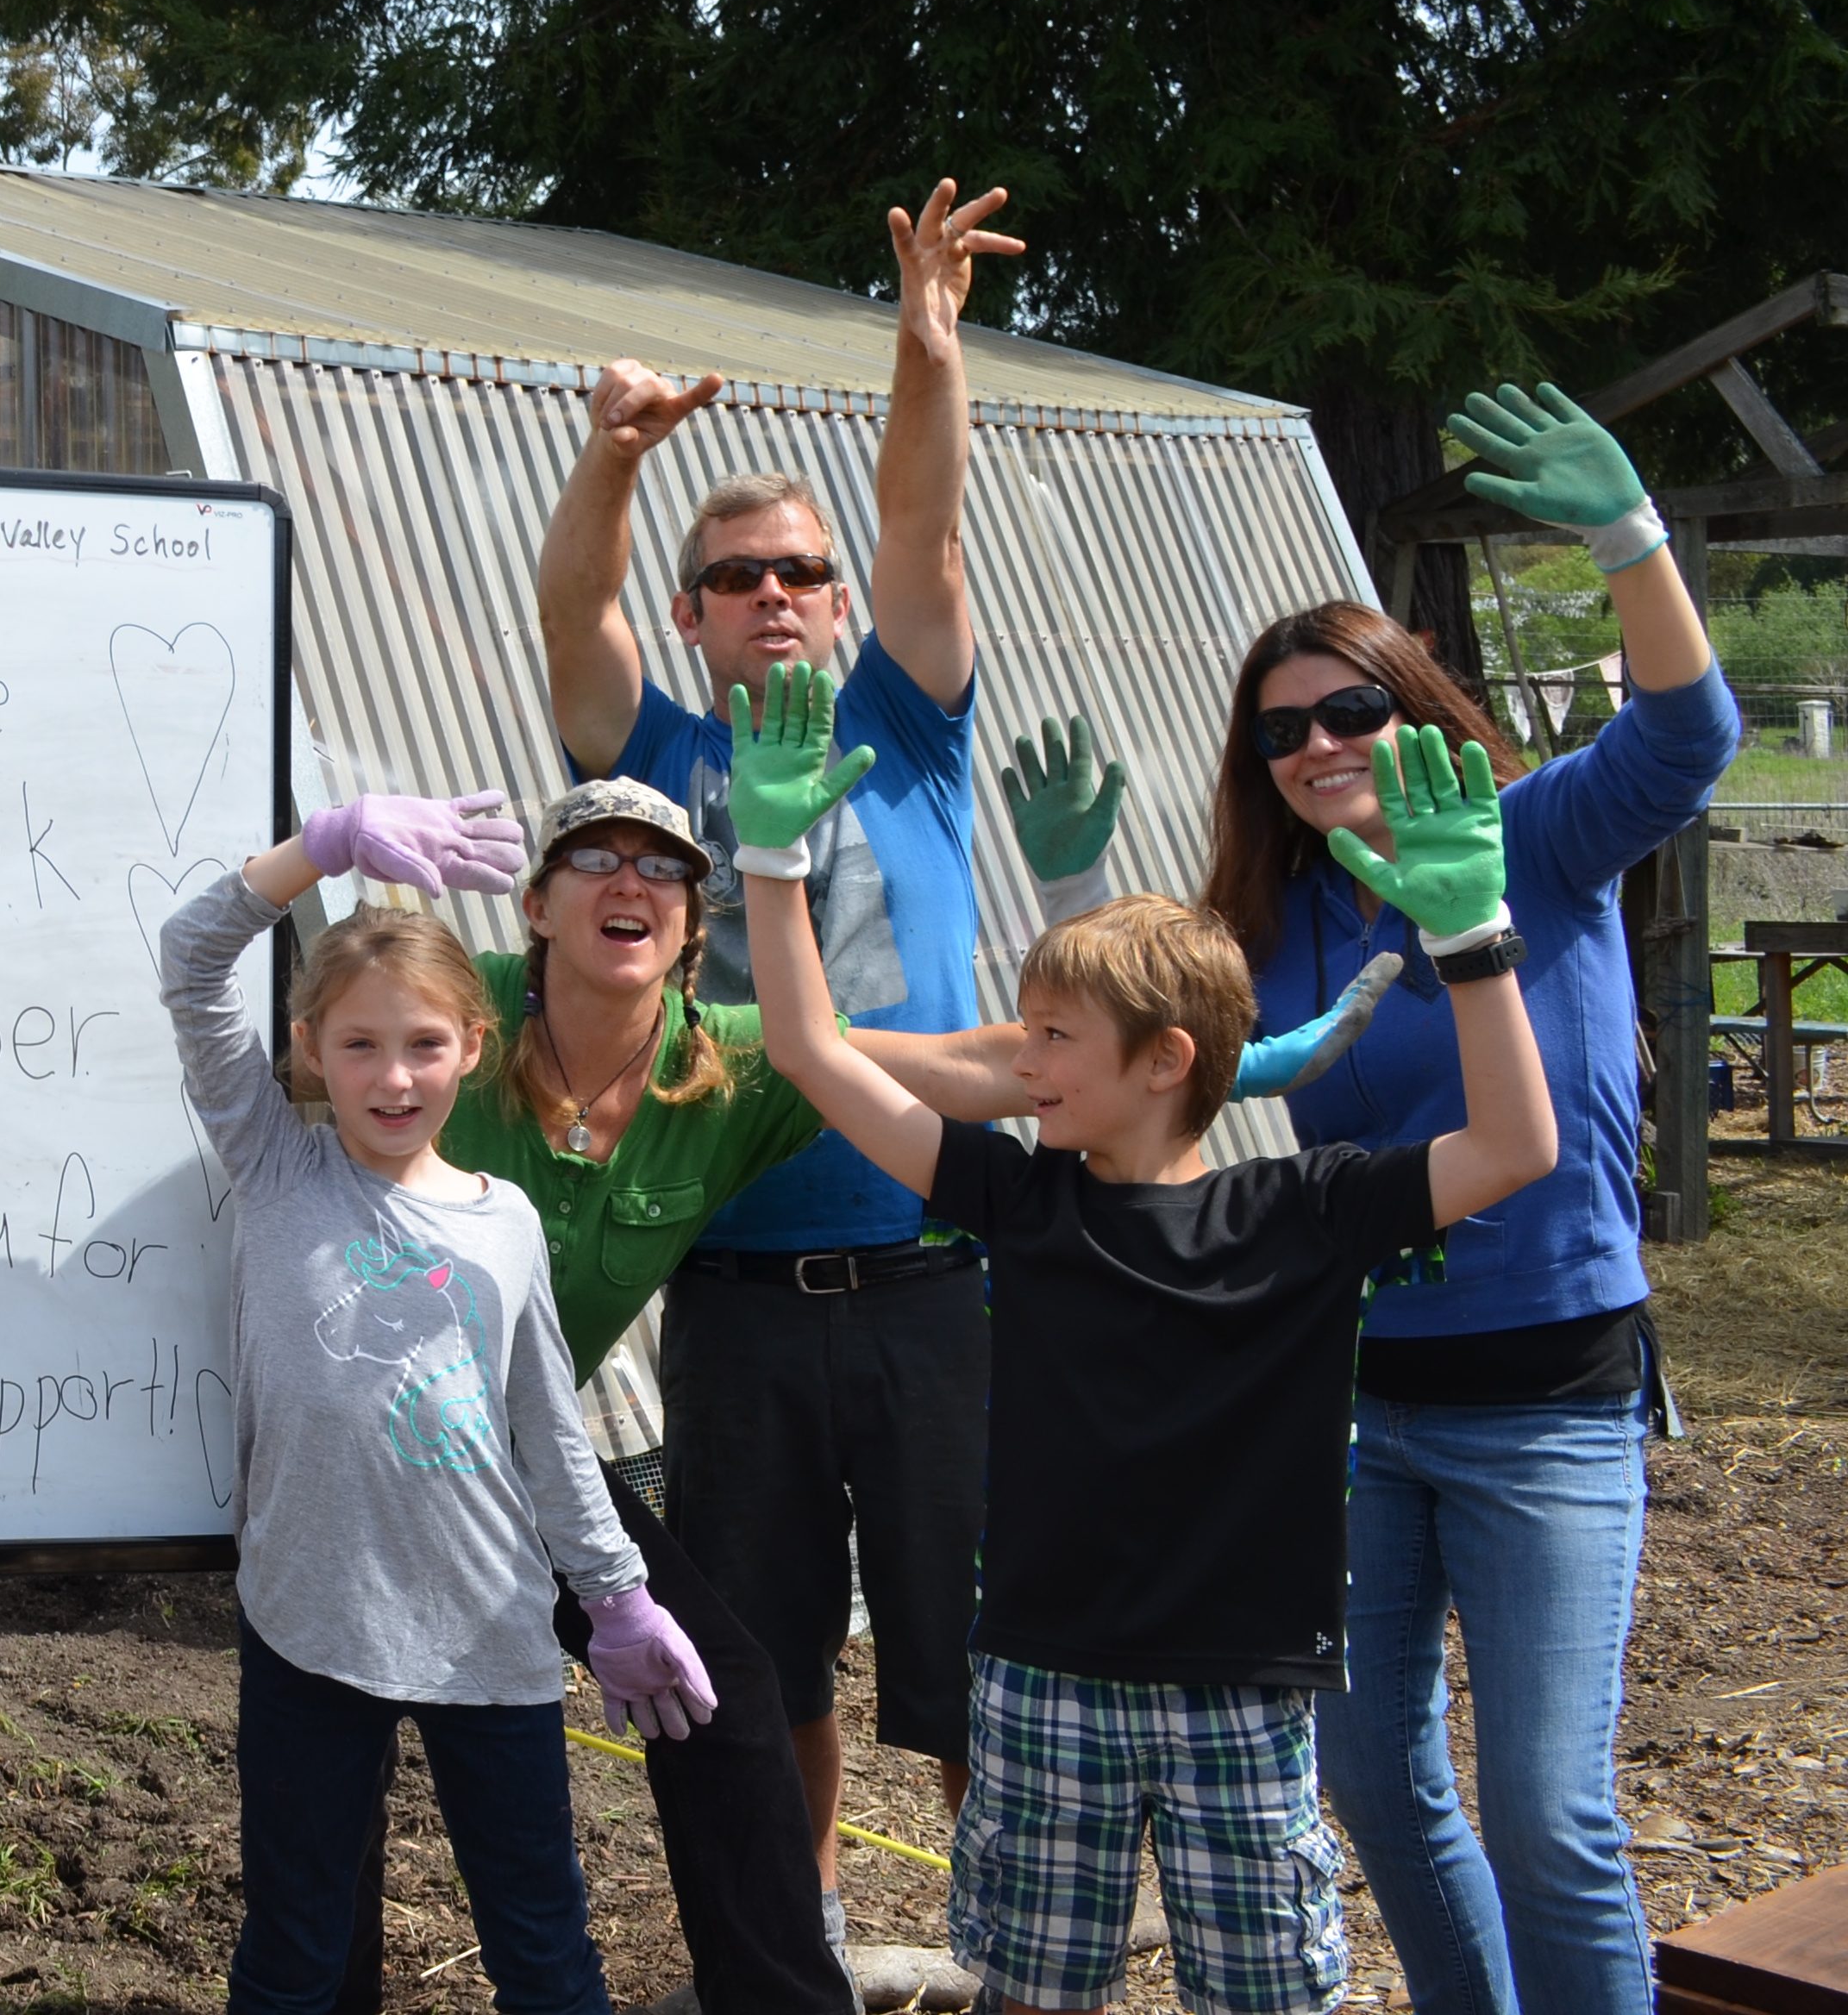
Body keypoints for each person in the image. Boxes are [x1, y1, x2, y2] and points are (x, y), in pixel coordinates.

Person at [730, 666, 1558, 2015]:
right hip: (1047, 1673)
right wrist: (772, 860)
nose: (1024, 1062)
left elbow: (1520, 1145)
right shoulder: (1019, 1197)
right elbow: (810, 1049)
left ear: (1167, 1059)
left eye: (1053, 1037)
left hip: (1244, 1689)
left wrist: (1474, 946)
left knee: (1265, 1996)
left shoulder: (1308, 1207)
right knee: (1031, 1991)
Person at [1203, 384, 1738, 2015]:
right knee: (1377, 1786)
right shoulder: (1275, 918)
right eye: (1280, 728)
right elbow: (1153, 1055)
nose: (1315, 748)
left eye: (1347, 710)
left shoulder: (1529, 834)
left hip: (1548, 1398)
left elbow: (1688, 738)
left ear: (1415, 703)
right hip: (1354, 1404)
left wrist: (1629, 541)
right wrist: (1083, 886)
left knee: (1548, 1816)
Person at [536, 181, 1019, 1944]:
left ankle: (1002, 1945)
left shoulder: (908, 721)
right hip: (734, 1291)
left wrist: (924, 344)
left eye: (799, 573)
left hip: (935, 1275)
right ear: (697, 616)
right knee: (765, 1648)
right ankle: (800, 1947)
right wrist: (611, 460)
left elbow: (925, 523)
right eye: (733, 577)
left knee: (973, 1656)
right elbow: (567, 611)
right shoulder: (656, 752)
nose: (774, 595)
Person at [157, 793, 708, 2015]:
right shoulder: (276, 1164)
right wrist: (329, 847)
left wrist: (617, 1597)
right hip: (308, 1621)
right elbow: (192, 959)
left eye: (421, 1045)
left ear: (471, 1044)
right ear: (308, 1050)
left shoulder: (502, 1221)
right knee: (295, 1948)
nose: (391, 1076)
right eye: (357, 1046)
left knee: (542, 1948)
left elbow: (545, 1433)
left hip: (489, 1633)